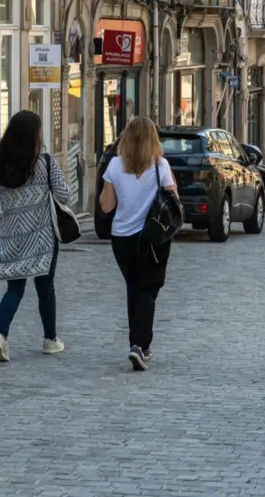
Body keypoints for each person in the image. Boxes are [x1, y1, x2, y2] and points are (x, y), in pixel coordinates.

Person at [0, 110, 69, 363]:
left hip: (12, 233)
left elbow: (2, 199)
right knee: (45, 288)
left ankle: (0, 336)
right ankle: (50, 339)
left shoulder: (0, 162)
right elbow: (64, 194)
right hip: (42, 235)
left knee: (14, 288)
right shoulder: (44, 161)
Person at [99, 116, 179, 371]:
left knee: (135, 287)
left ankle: (139, 343)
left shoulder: (114, 166)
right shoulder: (161, 165)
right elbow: (173, 199)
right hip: (153, 237)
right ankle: (139, 345)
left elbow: (106, 205)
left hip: (121, 238)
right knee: (148, 289)